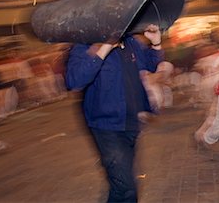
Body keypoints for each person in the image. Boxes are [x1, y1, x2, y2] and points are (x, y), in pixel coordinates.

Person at [66, 24, 164, 203]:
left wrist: (156, 44)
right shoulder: (84, 45)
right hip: (106, 127)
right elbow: (74, 80)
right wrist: (104, 47)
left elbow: (150, 64)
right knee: (127, 187)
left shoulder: (130, 42)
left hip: (131, 123)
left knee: (119, 185)